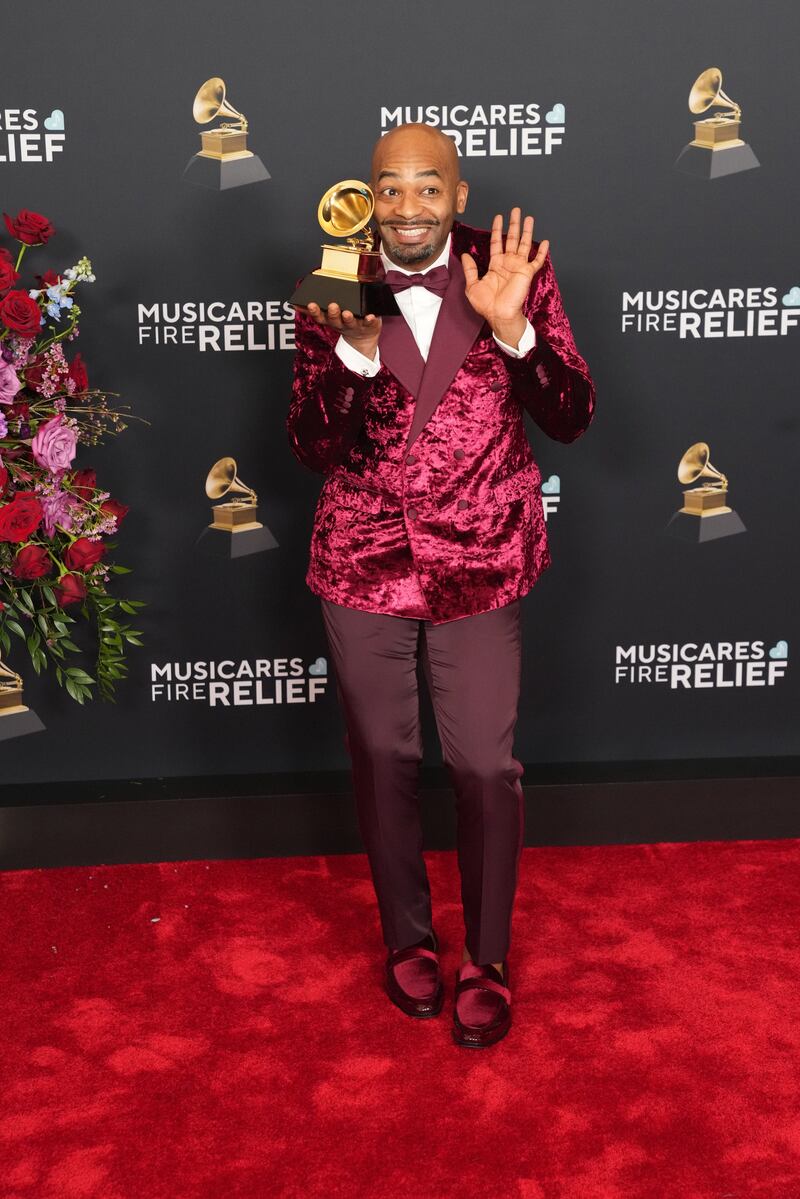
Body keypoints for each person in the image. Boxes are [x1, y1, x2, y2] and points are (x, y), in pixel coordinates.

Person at [287, 123, 594, 1048]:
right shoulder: (334, 284)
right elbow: (309, 445)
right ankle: (407, 939)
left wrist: (517, 332)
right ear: (368, 195)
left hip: (482, 554)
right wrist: (349, 353)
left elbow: (573, 415)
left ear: (458, 198)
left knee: (483, 766)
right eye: (392, 189)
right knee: (383, 759)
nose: (409, 207)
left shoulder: (514, 268)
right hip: (364, 558)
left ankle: (488, 956)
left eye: (429, 189)